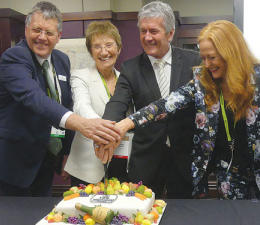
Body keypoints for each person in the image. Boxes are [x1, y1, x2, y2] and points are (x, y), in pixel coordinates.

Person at [101, 20, 260, 200]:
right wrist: (123, 126)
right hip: (228, 176)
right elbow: (164, 105)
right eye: (204, 57)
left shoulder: (257, 80)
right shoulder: (203, 81)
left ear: (231, 53)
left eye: (213, 57)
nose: (207, 64)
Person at [0, 1, 121, 197]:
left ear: (59, 36)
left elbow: (67, 104)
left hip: (46, 157)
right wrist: (84, 124)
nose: (42, 37)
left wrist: (67, 152)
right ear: (26, 29)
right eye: (36, 30)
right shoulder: (14, 58)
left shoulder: (61, 60)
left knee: (44, 215)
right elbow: (34, 97)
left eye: (49, 33)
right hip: (14, 159)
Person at [96, 1, 200, 198]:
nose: (147, 37)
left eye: (154, 31)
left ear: (170, 33)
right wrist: (106, 131)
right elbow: (118, 103)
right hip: (146, 161)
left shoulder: (194, 62)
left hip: (185, 158)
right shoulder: (130, 68)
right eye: (143, 31)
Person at [64, 20, 131, 185]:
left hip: (121, 163)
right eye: (96, 46)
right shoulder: (81, 76)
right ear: (90, 51)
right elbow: (81, 106)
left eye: (109, 45)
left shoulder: (127, 79)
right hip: (87, 167)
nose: (104, 52)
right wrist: (103, 133)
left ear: (119, 48)